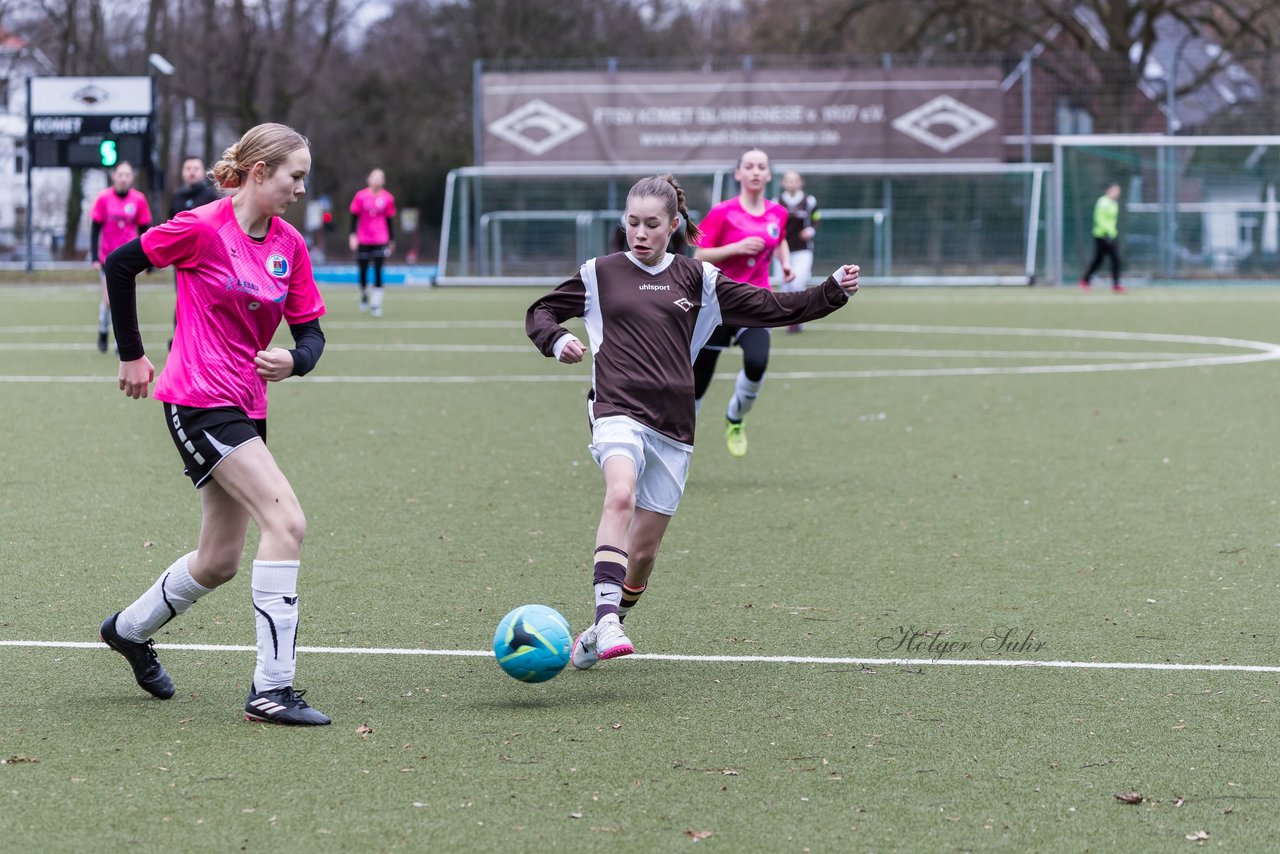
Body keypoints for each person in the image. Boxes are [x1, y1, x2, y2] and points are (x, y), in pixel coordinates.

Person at [526, 173, 859, 668]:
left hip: (674, 426)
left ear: (674, 225)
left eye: (651, 224)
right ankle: (608, 617)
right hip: (616, 408)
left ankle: (600, 629)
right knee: (620, 492)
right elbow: (542, 311)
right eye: (632, 223)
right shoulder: (600, 272)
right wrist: (557, 341)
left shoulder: (697, 279)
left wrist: (830, 291)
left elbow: (770, 306)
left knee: (643, 557)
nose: (639, 233)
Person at [98, 123, 331, 726]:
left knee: (219, 559)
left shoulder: (290, 246)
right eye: (295, 176)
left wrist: (296, 359)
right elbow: (120, 265)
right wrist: (132, 353)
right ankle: (271, 690)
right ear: (260, 173)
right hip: (198, 399)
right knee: (288, 521)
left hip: (248, 405)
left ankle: (127, 631)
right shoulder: (202, 227)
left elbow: (311, 332)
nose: (301, 189)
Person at [690, 149, 792, 457]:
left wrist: (784, 263)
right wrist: (736, 247)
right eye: (749, 167)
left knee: (758, 362)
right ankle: (676, 440)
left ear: (769, 175)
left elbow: (780, 238)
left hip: (756, 300)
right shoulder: (723, 212)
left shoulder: (778, 212)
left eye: (762, 166)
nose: (756, 172)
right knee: (697, 382)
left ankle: (735, 418)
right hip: (717, 304)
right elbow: (699, 255)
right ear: (738, 174)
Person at [90, 162, 152, 353]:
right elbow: (95, 229)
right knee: (109, 300)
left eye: (127, 174)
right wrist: (94, 257)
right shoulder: (103, 198)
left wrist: (148, 258)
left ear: (132, 177)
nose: (123, 178)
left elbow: (145, 230)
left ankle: (120, 343)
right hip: (107, 258)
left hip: (129, 261)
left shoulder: (139, 200)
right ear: (114, 176)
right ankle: (103, 330)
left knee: (125, 301)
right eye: (120, 174)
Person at [167, 156, 221, 349]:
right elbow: (169, 227)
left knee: (205, 300)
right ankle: (178, 340)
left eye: (195, 168)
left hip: (206, 260)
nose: (191, 171)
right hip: (182, 260)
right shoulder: (177, 197)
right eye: (188, 168)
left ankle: (206, 340)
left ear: (202, 171)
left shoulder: (211, 197)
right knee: (182, 298)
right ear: (183, 172)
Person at [775, 170, 820, 332]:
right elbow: (773, 225)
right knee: (786, 285)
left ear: (801, 182)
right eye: (788, 180)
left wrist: (811, 230)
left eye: (795, 180)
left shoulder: (809, 201)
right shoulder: (777, 202)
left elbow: (816, 218)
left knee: (798, 282)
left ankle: (799, 318)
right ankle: (789, 317)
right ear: (783, 183)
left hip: (803, 250)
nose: (791, 183)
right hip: (783, 250)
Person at [348, 168, 396, 317]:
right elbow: (354, 217)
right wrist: (352, 236)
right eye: (374, 177)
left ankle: (376, 304)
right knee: (362, 272)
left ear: (383, 181)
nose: (377, 180)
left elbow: (390, 219)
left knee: (378, 271)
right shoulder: (360, 196)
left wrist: (392, 240)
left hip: (381, 239)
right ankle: (364, 293)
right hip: (363, 239)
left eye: (380, 177)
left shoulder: (388, 198)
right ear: (368, 179)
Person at [1079, 183, 1124, 292]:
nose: (1117, 193)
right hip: (1101, 236)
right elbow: (1099, 219)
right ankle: (1085, 280)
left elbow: (1112, 221)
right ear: (1108, 190)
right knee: (1098, 260)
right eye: (1115, 190)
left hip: (1112, 236)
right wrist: (1106, 233)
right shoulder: (1103, 202)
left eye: (1118, 191)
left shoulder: (1114, 204)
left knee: (1116, 260)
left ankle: (1116, 284)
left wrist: (1112, 233)